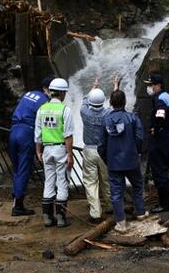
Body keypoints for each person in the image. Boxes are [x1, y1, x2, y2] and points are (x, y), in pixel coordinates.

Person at [99, 89, 148, 233]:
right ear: (125, 102)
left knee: (116, 192)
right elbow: (139, 138)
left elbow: (101, 145)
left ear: (110, 103)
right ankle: (140, 212)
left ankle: (121, 222)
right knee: (138, 185)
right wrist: (137, 152)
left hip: (114, 162)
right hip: (131, 160)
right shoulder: (133, 118)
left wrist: (107, 159)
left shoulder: (105, 120)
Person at [8, 76, 53, 216]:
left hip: (13, 131)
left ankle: (15, 199)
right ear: (46, 89)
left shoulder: (29, 94)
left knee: (17, 169)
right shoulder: (45, 102)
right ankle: (18, 206)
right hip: (26, 133)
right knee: (23, 169)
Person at [35, 78, 74, 228]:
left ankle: (47, 217)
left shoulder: (42, 109)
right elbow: (68, 135)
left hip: (46, 150)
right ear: (63, 93)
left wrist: (38, 151)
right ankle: (61, 217)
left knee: (49, 182)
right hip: (60, 150)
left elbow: (38, 134)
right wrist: (70, 155)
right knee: (62, 183)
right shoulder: (65, 110)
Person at [80, 76, 117, 222]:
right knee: (107, 180)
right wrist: (115, 86)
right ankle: (111, 206)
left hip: (89, 150)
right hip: (104, 151)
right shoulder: (108, 114)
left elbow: (84, 99)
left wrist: (94, 86)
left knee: (90, 182)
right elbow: (115, 103)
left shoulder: (84, 112)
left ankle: (95, 213)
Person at [145, 73, 169, 213]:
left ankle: (164, 205)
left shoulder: (160, 99)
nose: (150, 88)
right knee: (163, 168)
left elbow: (160, 114)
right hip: (167, 136)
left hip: (160, 139)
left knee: (159, 171)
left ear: (158, 86)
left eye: (151, 85)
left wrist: (155, 129)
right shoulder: (168, 96)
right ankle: (165, 203)